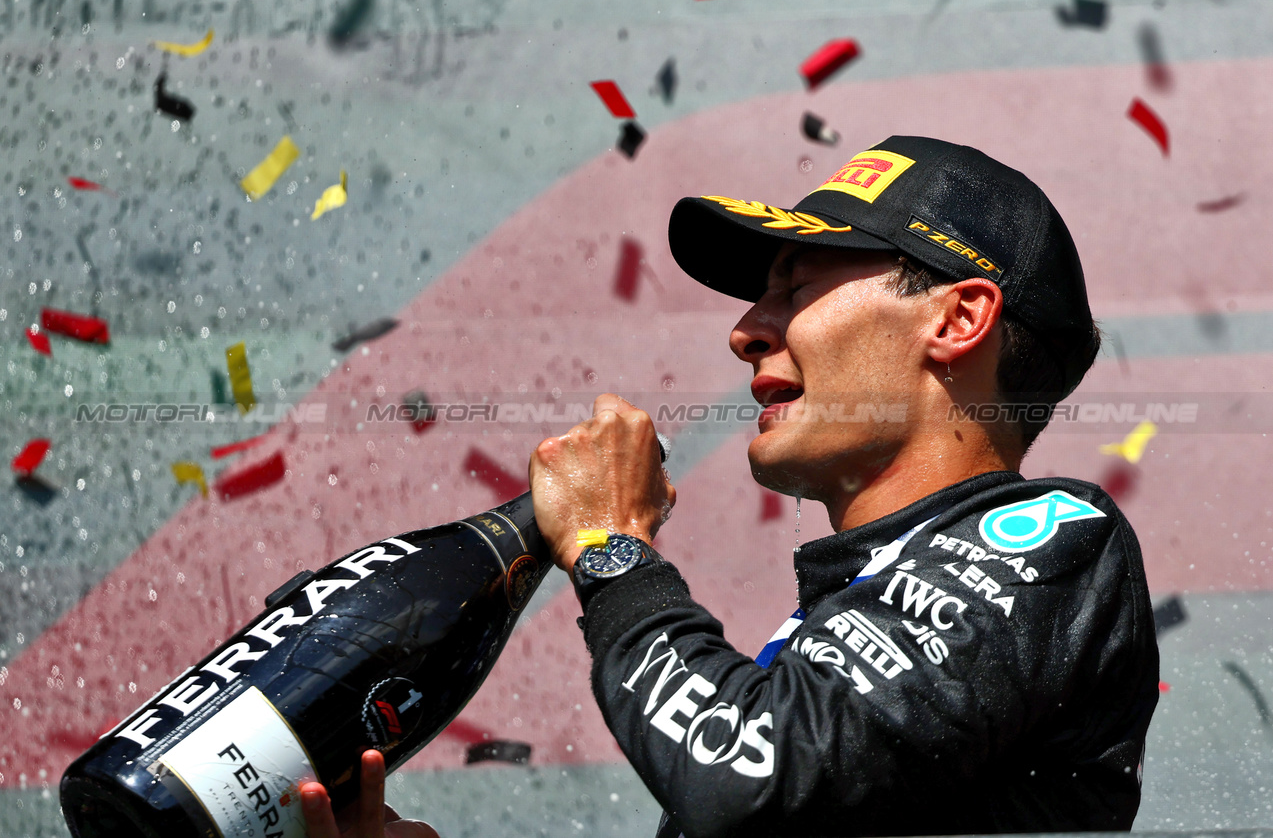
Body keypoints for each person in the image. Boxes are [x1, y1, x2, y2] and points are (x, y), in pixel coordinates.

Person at [303, 135, 1160, 837]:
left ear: (957, 319)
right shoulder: (839, 651)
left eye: (794, 286)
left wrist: (611, 549)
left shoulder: (1055, 534)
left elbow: (751, 771)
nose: (746, 331)